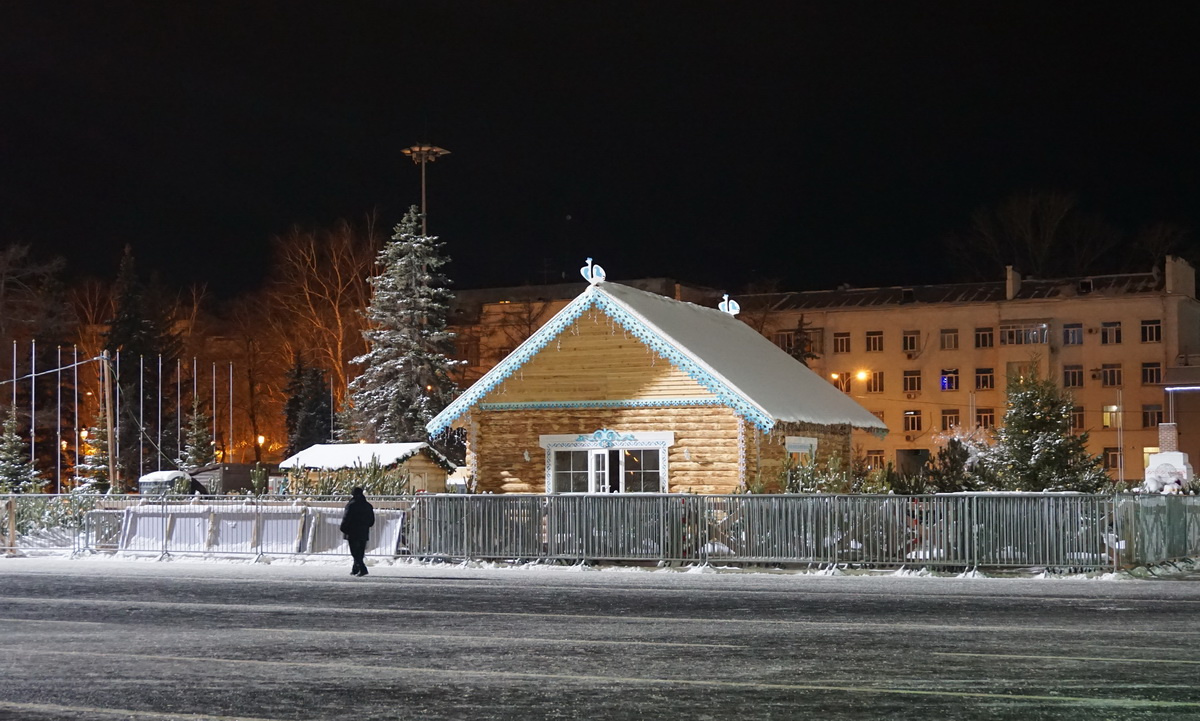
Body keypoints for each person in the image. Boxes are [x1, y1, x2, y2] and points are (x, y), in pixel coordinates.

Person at [339, 487, 375, 576]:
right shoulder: (368, 505)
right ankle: (355, 569)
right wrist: (366, 525)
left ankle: (362, 569)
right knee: (360, 551)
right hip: (364, 531)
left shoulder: (351, 505)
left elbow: (346, 517)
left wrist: (343, 527)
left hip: (352, 531)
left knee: (355, 552)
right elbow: (371, 520)